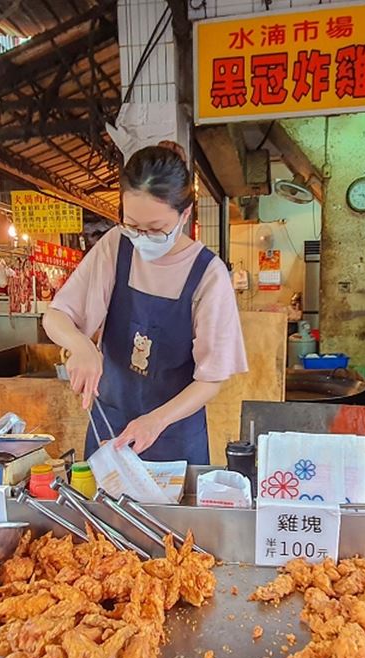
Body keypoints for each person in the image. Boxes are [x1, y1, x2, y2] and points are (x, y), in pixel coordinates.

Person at [43, 144, 247, 463]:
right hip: (110, 425)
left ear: (185, 215)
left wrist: (157, 421)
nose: (141, 238)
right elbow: (55, 317)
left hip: (174, 433)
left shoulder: (209, 275)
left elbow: (211, 379)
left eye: (155, 230)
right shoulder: (116, 245)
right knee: (102, 512)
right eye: (133, 225)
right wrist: (80, 345)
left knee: (168, 514)